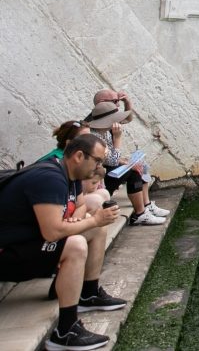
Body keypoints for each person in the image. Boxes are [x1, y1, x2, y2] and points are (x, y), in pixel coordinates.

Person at [0, 134, 127, 350]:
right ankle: (65, 331)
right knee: (76, 243)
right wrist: (93, 219)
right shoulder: (50, 178)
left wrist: (86, 219)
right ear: (79, 156)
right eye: (97, 160)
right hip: (7, 253)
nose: (99, 167)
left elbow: (79, 206)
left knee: (95, 227)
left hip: (26, 245)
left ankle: (89, 293)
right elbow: (52, 232)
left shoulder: (71, 174)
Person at [84, 101, 168, 225]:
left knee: (140, 165)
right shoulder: (94, 136)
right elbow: (111, 161)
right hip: (99, 180)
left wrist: (124, 161)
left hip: (105, 172)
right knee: (133, 172)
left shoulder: (105, 131)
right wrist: (117, 138)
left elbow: (111, 157)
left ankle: (147, 205)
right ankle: (140, 214)